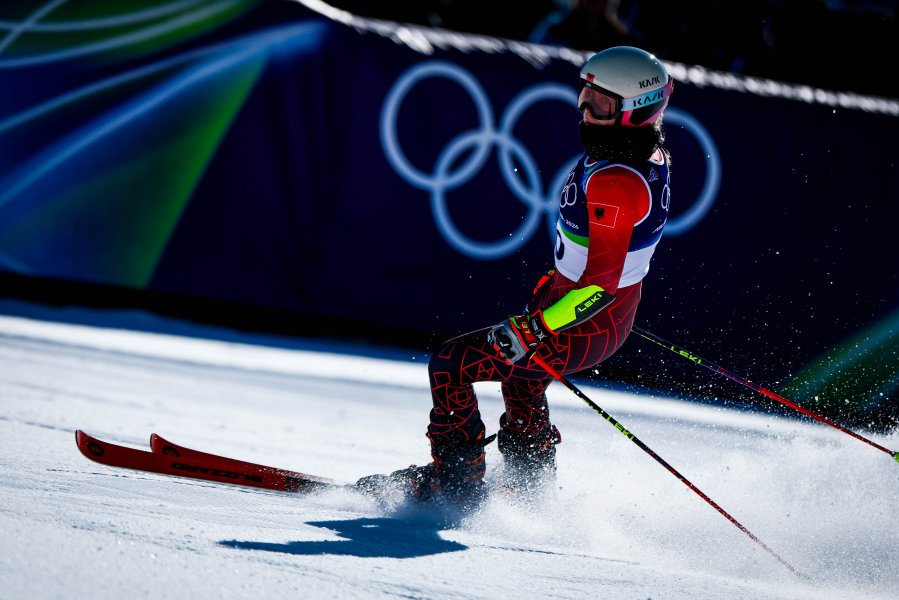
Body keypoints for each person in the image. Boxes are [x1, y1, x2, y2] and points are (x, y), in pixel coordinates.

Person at [361, 46, 674, 505]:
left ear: (636, 111)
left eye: (601, 103)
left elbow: (601, 288)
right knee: (522, 378)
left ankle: (454, 481)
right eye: (584, 93)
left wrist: (535, 327)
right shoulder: (637, 153)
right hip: (582, 310)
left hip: (586, 319)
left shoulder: (617, 182)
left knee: (451, 364)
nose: (584, 109)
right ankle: (531, 488)